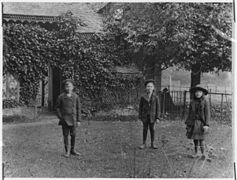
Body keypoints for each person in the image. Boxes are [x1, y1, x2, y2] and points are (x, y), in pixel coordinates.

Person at [55, 79, 81, 158]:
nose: (68, 88)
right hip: (65, 120)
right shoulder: (61, 97)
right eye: (66, 86)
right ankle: (67, 151)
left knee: (73, 135)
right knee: (65, 135)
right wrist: (60, 117)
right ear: (64, 87)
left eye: (70, 86)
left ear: (73, 87)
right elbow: (57, 108)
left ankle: (73, 150)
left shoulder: (76, 96)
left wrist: (78, 120)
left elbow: (78, 108)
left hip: (73, 119)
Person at [185, 84, 210, 158]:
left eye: (199, 92)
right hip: (193, 122)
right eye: (196, 92)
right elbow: (190, 113)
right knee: (195, 139)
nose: (197, 93)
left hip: (201, 123)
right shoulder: (192, 101)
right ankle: (196, 153)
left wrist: (207, 124)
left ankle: (203, 153)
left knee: (201, 139)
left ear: (202, 93)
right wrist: (188, 123)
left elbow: (207, 113)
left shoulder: (205, 101)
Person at [138, 79, 161, 149]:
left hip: (152, 117)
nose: (149, 88)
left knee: (152, 129)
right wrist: (140, 118)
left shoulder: (156, 97)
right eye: (148, 86)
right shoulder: (143, 97)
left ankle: (152, 143)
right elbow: (140, 108)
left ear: (153, 88)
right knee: (145, 129)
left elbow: (158, 108)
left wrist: (157, 118)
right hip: (145, 116)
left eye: (151, 86)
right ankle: (144, 143)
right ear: (146, 88)